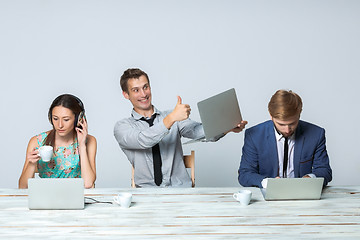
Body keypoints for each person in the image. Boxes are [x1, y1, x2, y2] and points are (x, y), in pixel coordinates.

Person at [114, 68, 247, 188]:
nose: (143, 94)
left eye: (146, 87)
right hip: (146, 194)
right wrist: (172, 118)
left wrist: (226, 126)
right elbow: (143, 140)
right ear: (126, 94)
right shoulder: (123, 127)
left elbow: (198, 132)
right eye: (136, 90)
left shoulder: (172, 117)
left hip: (180, 191)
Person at [238, 90, 332, 188]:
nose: (287, 130)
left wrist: (310, 178)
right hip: (267, 196)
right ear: (271, 116)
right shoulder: (254, 135)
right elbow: (245, 174)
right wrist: (268, 183)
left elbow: (325, 171)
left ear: (299, 114)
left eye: (292, 123)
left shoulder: (316, 134)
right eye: (281, 124)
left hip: (303, 195)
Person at [19, 94, 97, 189]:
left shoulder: (90, 141)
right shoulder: (37, 141)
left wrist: (81, 145)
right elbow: (22, 187)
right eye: (55, 119)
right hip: (46, 197)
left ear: (78, 119)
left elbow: (88, 184)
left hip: (75, 198)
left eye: (66, 119)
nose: (60, 125)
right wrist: (31, 164)